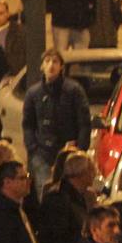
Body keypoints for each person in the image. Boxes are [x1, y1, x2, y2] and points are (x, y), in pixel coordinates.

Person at [23, 51, 90, 191]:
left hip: (68, 154)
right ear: (42, 66)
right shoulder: (33, 93)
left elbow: (84, 122)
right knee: (45, 191)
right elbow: (28, 124)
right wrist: (33, 149)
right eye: (47, 61)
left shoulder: (74, 90)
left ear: (61, 66)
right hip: (43, 155)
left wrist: (80, 149)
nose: (51, 65)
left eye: (55, 61)